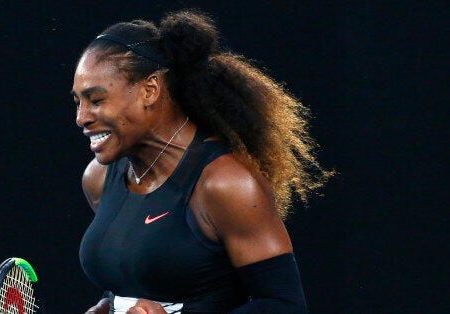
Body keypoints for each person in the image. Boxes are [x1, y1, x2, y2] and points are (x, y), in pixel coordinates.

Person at [72, 9, 331, 314]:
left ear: (149, 90)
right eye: (78, 102)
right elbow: (136, 274)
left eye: (96, 100)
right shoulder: (98, 178)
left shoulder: (226, 183)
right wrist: (107, 306)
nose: (82, 118)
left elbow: (284, 306)